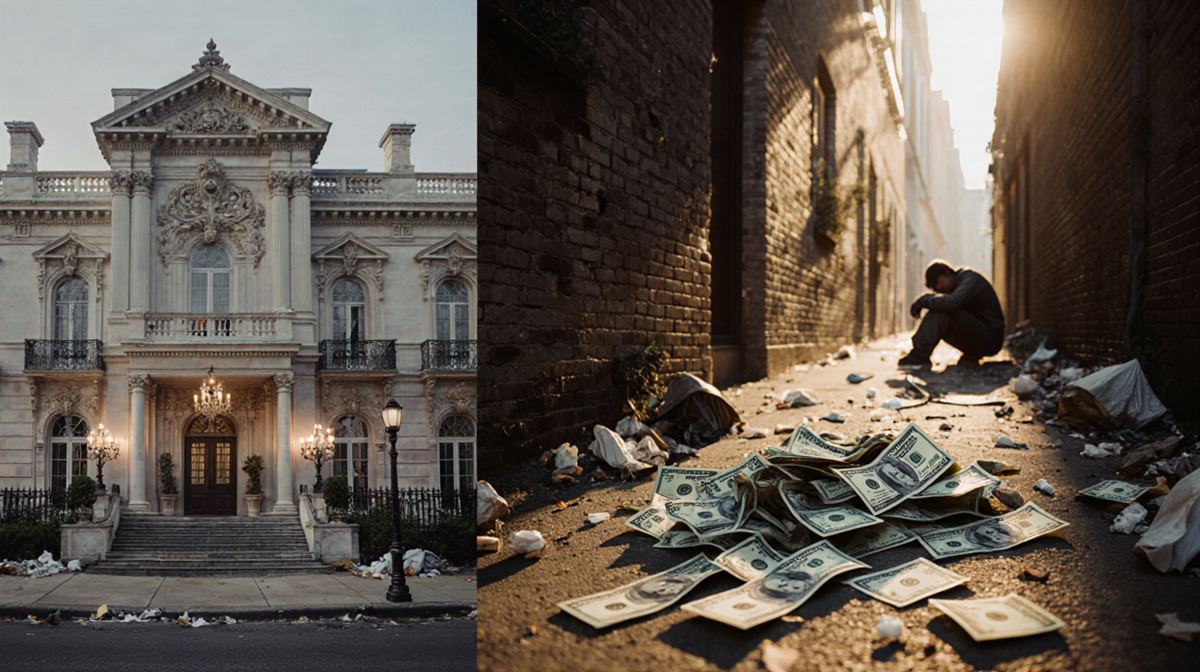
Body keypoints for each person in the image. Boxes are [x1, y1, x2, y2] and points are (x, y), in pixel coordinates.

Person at [899, 260, 1005, 368]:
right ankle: (971, 355)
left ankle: (919, 355)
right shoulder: (956, 286)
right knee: (941, 306)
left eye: (938, 282)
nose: (938, 289)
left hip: (990, 338)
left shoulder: (970, 279)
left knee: (942, 310)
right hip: (981, 337)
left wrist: (923, 301)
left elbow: (952, 302)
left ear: (947, 273)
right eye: (935, 288)